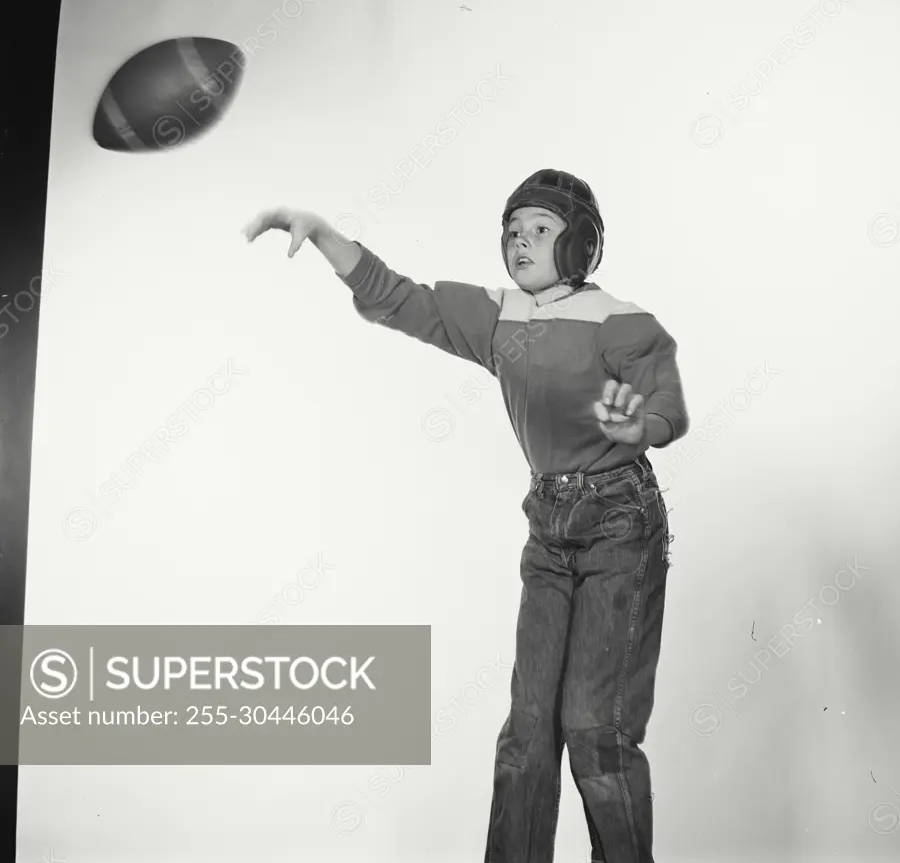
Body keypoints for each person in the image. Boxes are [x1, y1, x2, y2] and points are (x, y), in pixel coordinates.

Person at [242, 168, 689, 863]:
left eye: (540, 230)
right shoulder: (501, 316)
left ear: (581, 245)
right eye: (512, 231)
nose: (520, 242)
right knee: (528, 731)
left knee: (594, 729)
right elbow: (402, 300)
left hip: (619, 523)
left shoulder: (620, 321)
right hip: (549, 525)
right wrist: (328, 237)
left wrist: (644, 425)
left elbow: (665, 399)